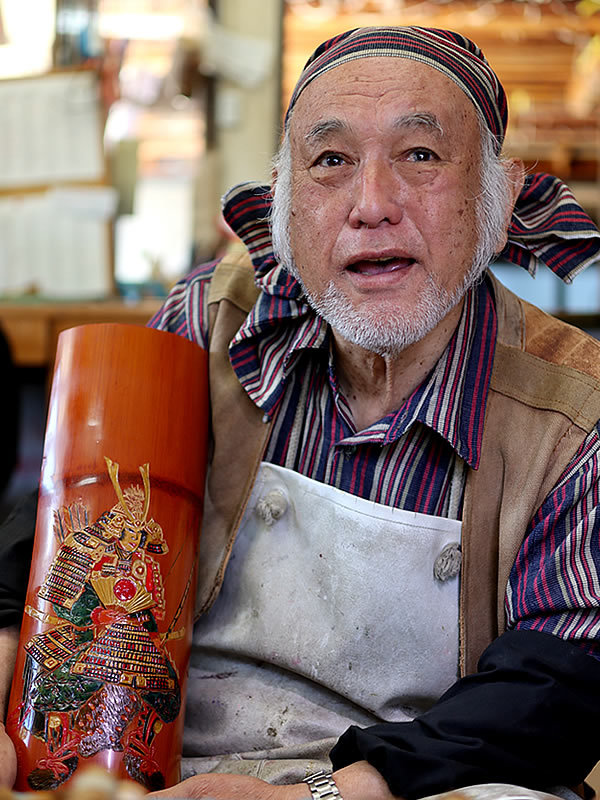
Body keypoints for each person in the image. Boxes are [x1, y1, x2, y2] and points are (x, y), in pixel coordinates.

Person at [2, 25, 600, 800]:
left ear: (501, 194)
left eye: (420, 155)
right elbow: (74, 510)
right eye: (330, 161)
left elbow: (565, 682)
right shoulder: (221, 319)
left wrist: (312, 798)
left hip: (415, 785)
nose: (372, 204)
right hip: (167, 767)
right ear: (283, 204)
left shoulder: (574, 409)